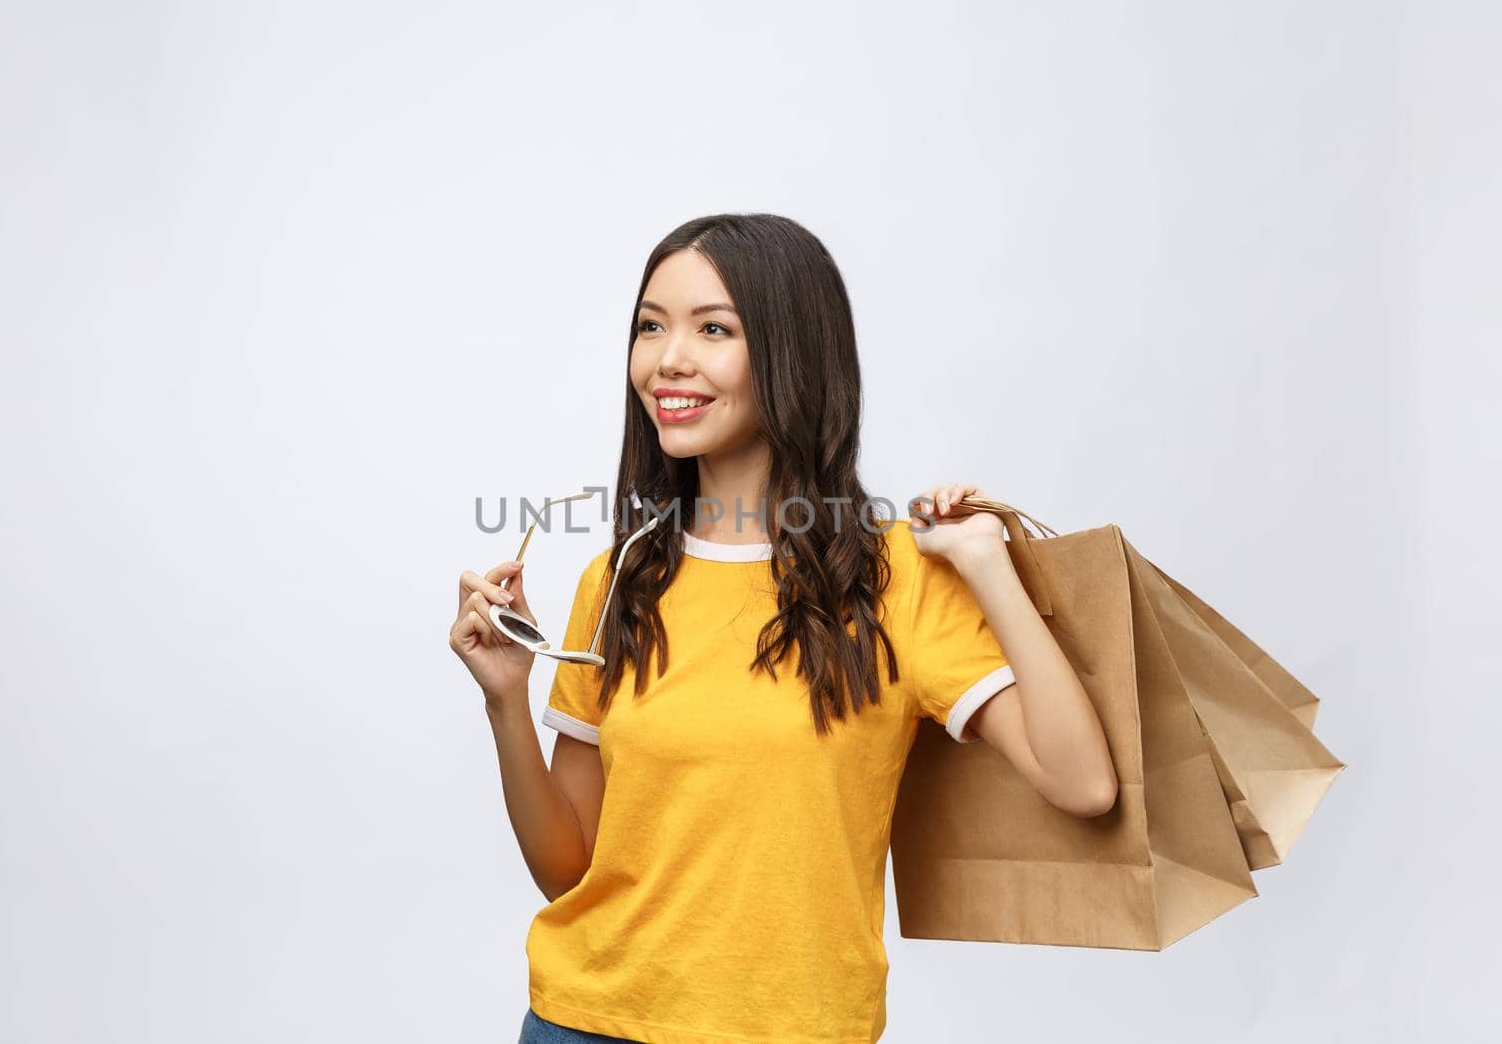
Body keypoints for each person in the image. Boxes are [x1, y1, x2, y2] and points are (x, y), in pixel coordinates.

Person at [450, 213, 1117, 1044]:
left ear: (792, 352)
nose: (668, 360)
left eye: (713, 329)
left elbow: (1085, 784)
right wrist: (506, 701)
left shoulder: (894, 579)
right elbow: (568, 871)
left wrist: (986, 564)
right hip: (585, 1023)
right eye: (650, 326)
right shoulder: (620, 578)